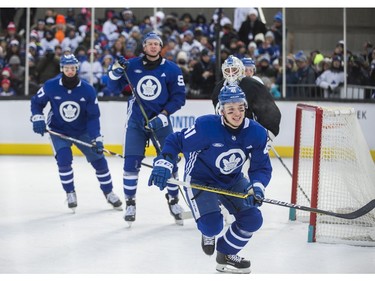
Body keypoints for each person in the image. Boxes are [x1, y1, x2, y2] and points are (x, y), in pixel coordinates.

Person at [148, 84, 272, 273]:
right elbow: (176, 140)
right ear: (221, 110)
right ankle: (208, 233)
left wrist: (257, 186)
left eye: (240, 108)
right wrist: (164, 162)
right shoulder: (206, 127)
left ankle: (226, 253)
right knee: (213, 226)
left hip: (232, 179)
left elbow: (261, 166)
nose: (237, 113)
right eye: (230, 109)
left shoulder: (257, 132)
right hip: (200, 179)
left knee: (253, 219)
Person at [107, 32, 186, 225]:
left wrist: (163, 116)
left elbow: (179, 98)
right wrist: (115, 70)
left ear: (161, 48)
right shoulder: (131, 65)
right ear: (144, 47)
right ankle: (130, 204)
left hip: (162, 122)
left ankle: (173, 200)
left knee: (170, 162)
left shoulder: (172, 69)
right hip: (136, 122)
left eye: (156, 44)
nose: (152, 47)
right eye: (149, 44)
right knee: (130, 164)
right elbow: (112, 86)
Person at [30, 54, 122, 212]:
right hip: (58, 130)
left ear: (77, 68)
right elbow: (36, 102)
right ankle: (70, 192)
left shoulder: (87, 89)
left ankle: (109, 192)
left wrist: (96, 138)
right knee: (64, 160)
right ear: (62, 69)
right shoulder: (51, 86)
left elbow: (93, 117)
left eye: (72, 68)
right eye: (67, 68)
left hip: (82, 131)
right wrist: (38, 118)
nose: (70, 71)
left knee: (99, 161)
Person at [212, 55, 281, 140]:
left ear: (240, 69)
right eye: (227, 70)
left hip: (247, 135)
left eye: (234, 69)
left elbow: (269, 111)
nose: (231, 73)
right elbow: (218, 114)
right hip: (226, 135)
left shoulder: (253, 85)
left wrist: (268, 134)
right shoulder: (218, 88)